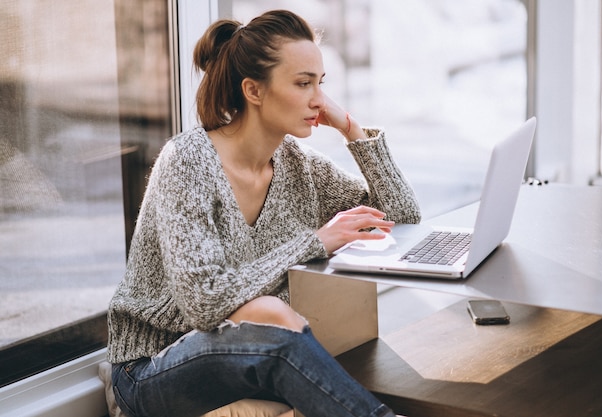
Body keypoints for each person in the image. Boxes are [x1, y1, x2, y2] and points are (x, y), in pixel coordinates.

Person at [107, 9, 420, 417]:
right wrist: (314, 242)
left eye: (320, 84)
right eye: (303, 83)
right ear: (254, 91)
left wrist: (353, 131)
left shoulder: (298, 165)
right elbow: (204, 302)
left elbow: (402, 217)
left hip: (248, 348)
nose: (318, 100)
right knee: (271, 317)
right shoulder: (186, 162)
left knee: (274, 318)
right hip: (152, 369)